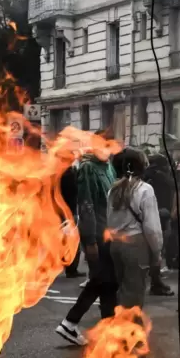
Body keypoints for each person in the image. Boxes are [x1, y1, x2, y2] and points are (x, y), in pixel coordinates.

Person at [56, 134, 117, 346]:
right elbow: (86, 204)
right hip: (98, 233)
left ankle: (97, 325)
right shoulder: (88, 169)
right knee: (102, 279)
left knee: (106, 281)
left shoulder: (108, 166)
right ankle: (71, 322)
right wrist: (90, 240)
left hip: (110, 232)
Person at [108, 148, 163, 309]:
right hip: (135, 245)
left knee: (122, 288)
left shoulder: (113, 189)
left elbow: (109, 220)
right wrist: (157, 251)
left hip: (116, 244)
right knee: (134, 294)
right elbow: (152, 228)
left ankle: (117, 326)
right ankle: (129, 330)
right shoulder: (145, 189)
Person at [143, 153, 176, 296]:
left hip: (152, 213)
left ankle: (155, 280)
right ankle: (155, 282)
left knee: (154, 250)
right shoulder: (160, 175)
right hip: (160, 214)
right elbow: (170, 186)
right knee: (157, 249)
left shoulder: (146, 175)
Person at [60, 164, 82, 278]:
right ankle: (71, 268)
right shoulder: (69, 175)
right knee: (72, 240)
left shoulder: (57, 174)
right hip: (69, 212)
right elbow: (74, 193)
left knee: (64, 239)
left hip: (60, 211)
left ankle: (66, 264)